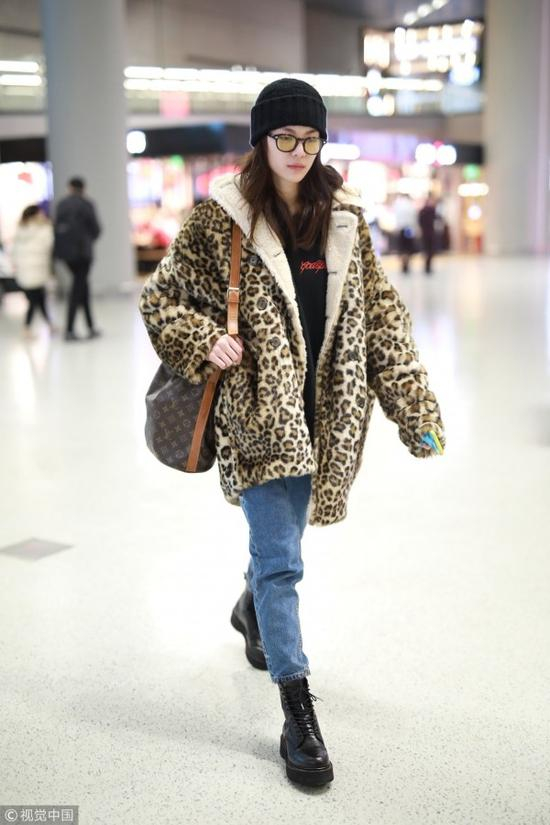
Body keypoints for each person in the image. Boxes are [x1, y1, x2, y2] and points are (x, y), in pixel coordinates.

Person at [139, 78, 445, 788]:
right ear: (261, 141)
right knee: (283, 563)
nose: (299, 150)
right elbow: (162, 300)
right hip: (258, 419)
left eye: (310, 138)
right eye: (285, 137)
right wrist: (203, 339)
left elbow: (383, 321)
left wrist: (415, 410)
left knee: (280, 550)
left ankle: (250, 606)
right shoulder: (221, 221)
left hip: (325, 420)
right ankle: (297, 710)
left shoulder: (345, 219)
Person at [53, 176, 102, 341]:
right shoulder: (87, 204)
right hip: (83, 253)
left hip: (67, 255)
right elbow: (96, 230)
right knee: (77, 289)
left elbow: (56, 228)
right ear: (83, 188)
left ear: (70, 188)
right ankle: (69, 330)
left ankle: (90, 327)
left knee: (82, 286)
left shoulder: (61, 204)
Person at [11, 205, 56, 338]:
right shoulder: (44, 229)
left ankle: (49, 325)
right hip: (37, 269)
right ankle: (27, 328)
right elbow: (48, 245)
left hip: (25, 270)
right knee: (35, 300)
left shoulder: (21, 230)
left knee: (39, 299)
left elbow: (15, 252)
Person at [394, 193, 417, 274]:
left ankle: (404, 265)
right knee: (408, 248)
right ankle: (407, 264)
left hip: (402, 228)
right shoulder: (411, 206)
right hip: (409, 229)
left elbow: (397, 218)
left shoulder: (399, 206)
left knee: (403, 248)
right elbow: (414, 219)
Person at [418, 194, 437, 274]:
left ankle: (427, 265)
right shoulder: (432, 210)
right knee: (429, 250)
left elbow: (419, 222)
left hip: (425, 233)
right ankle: (428, 266)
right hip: (429, 233)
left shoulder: (422, 211)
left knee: (426, 250)